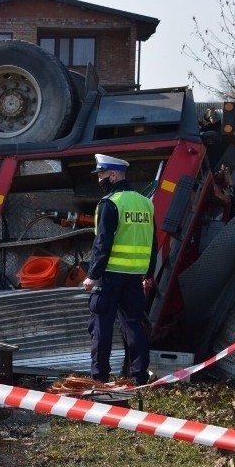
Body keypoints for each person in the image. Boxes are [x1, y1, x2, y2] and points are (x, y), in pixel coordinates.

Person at [82, 154, 155, 386]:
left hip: (109, 276)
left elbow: (102, 243)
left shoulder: (110, 203)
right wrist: (149, 273)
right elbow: (153, 241)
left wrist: (92, 275)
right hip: (134, 277)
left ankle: (99, 379)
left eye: (102, 174)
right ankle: (139, 378)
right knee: (134, 326)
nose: (99, 179)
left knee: (101, 327)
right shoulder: (146, 203)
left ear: (113, 175)